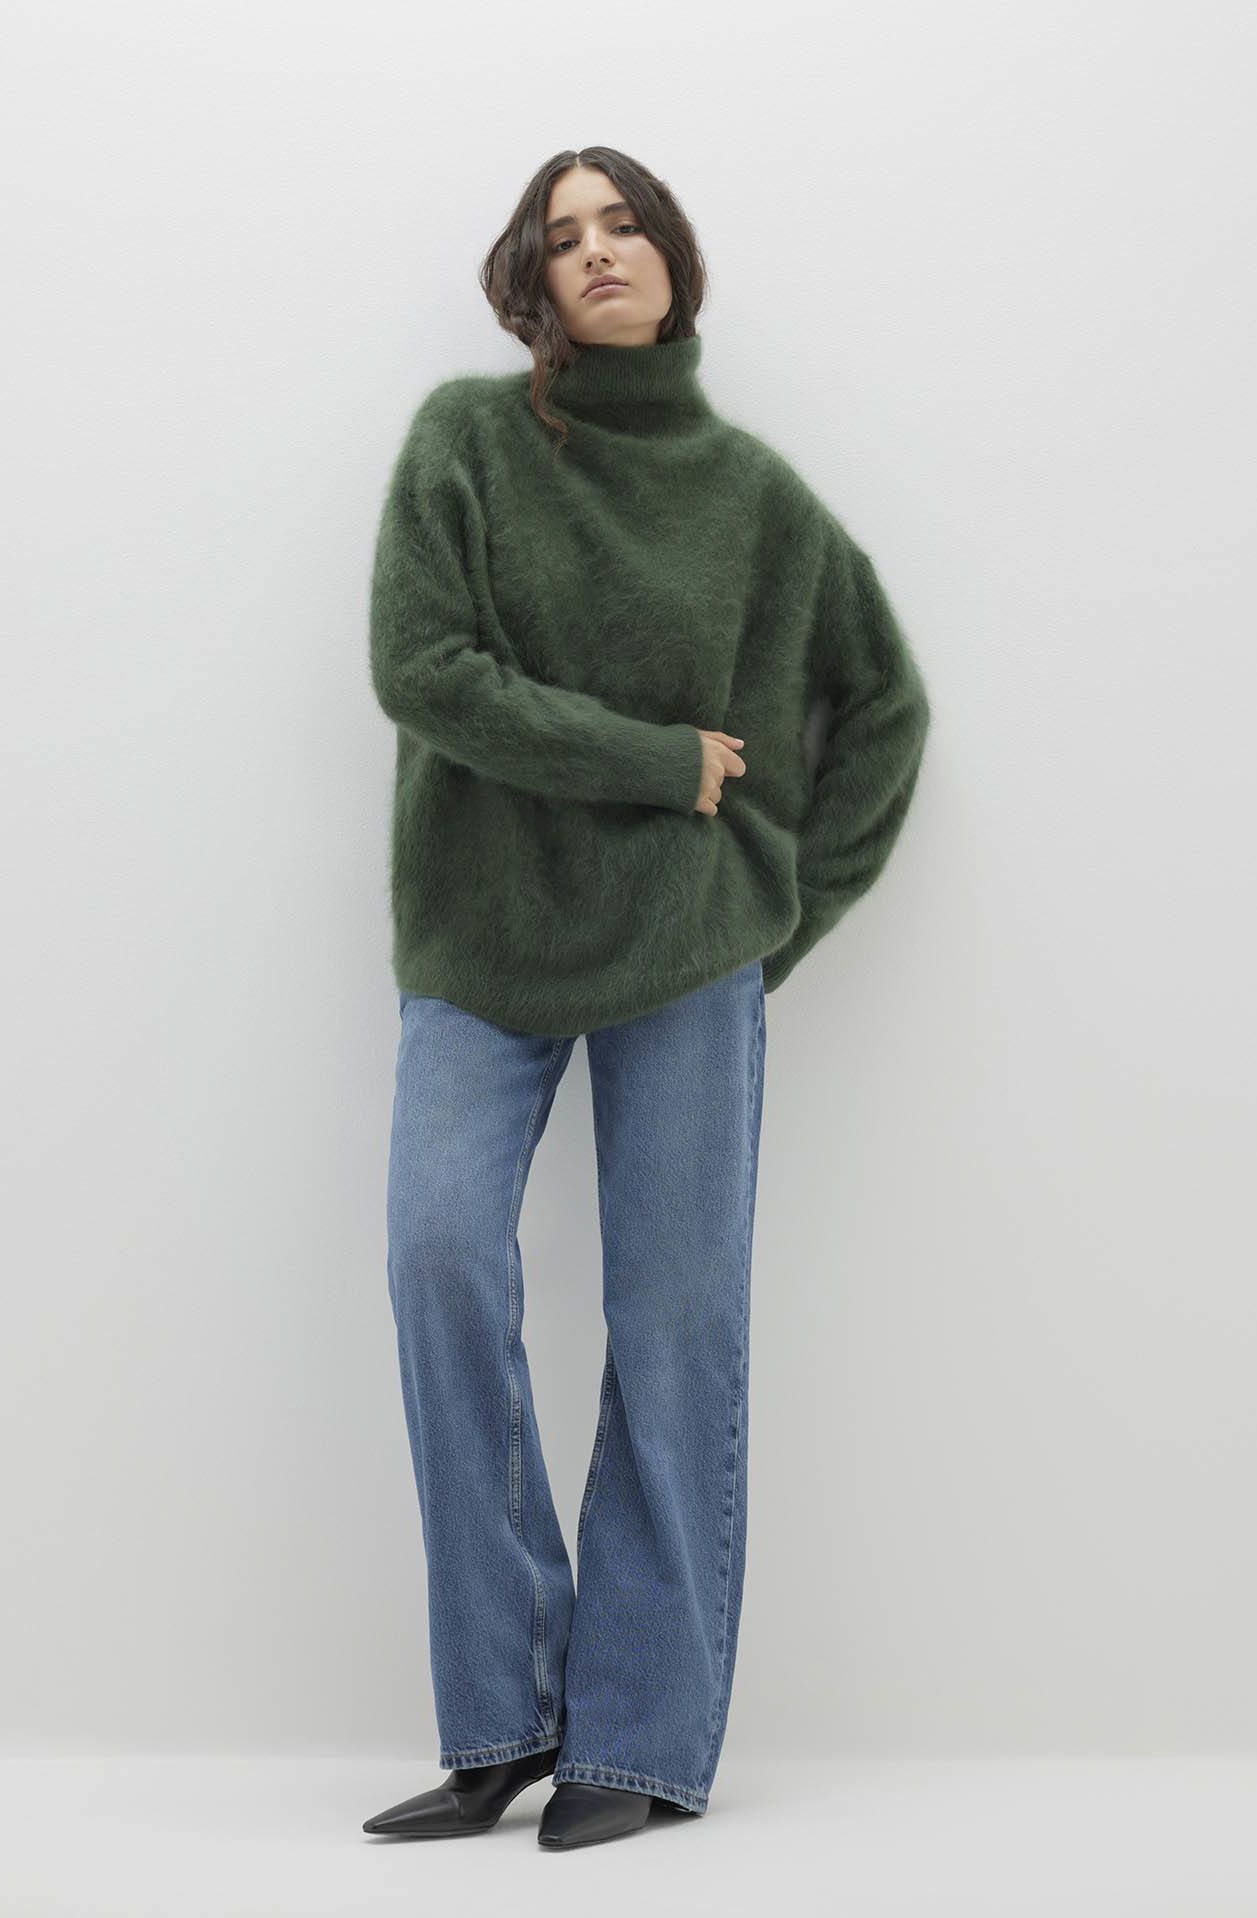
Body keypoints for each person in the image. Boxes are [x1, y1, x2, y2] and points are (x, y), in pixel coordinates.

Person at [362, 146, 931, 1851]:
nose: (596, 250)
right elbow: (425, 670)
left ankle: (643, 1733)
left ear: (673, 256)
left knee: (678, 1326)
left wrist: (772, 921)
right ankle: (505, 1709)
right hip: (482, 936)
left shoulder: (753, 497)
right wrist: (657, 760)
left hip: (690, 949)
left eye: (623, 224)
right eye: (563, 235)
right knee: (439, 1253)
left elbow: (884, 710)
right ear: (531, 282)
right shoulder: (466, 442)